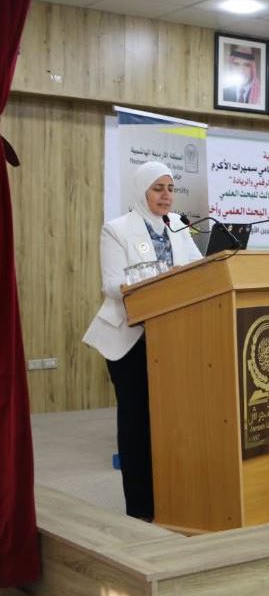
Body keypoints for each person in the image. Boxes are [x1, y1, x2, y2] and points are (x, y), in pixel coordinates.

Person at [82, 161, 202, 520]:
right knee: (137, 423)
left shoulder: (179, 225)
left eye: (170, 188)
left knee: (173, 423)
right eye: (158, 189)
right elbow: (111, 285)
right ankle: (140, 508)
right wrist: (163, 277)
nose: (166, 196)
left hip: (173, 336)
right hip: (130, 338)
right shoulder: (117, 229)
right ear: (141, 191)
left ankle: (173, 498)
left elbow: (201, 270)